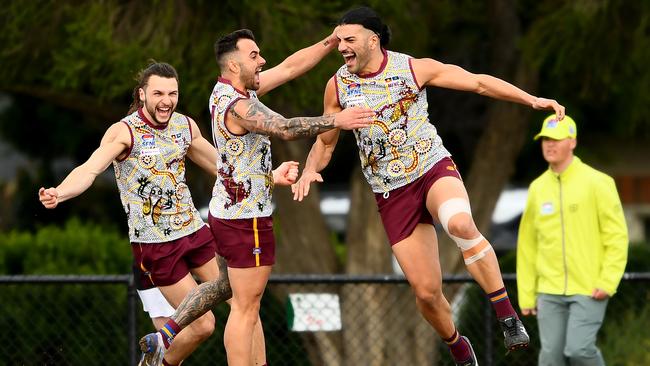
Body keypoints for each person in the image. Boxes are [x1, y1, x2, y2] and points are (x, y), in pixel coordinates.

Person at [290, 7, 566, 365]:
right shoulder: (338, 85)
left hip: (431, 169)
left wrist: (532, 99)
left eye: (349, 39)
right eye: (338, 40)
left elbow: (479, 82)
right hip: (391, 193)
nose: (341, 46)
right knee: (426, 293)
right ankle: (457, 345)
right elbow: (326, 142)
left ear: (373, 40)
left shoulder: (413, 68)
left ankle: (507, 315)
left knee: (460, 223)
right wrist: (311, 168)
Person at [38, 61, 298, 366]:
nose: (166, 101)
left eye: (172, 93)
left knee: (245, 303)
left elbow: (225, 167)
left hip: (196, 233)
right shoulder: (124, 132)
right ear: (141, 94)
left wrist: (271, 176)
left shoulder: (184, 126)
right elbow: (91, 168)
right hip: (156, 246)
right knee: (201, 326)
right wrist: (61, 191)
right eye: (158, 93)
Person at [138, 30, 373, 366]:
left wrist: (329, 43)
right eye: (254, 56)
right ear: (234, 64)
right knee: (246, 310)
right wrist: (337, 119)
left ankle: (166, 333)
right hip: (245, 220)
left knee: (223, 287)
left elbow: (291, 68)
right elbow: (286, 128)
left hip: (226, 211)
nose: (262, 61)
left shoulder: (226, 90)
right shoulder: (239, 106)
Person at [516, 114, 628, 366]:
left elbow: (617, 237)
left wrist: (608, 280)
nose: (549, 144)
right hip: (548, 290)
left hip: (589, 288)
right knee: (550, 358)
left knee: (579, 350)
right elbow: (527, 245)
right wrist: (526, 293)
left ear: (572, 142)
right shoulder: (537, 188)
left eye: (556, 138)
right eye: (545, 138)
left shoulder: (599, 183)